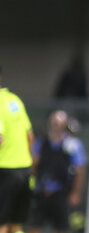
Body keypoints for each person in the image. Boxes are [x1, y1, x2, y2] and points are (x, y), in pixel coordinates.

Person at [28, 110, 86, 233]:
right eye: (53, 123)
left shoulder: (72, 145)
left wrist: (75, 192)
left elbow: (80, 169)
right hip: (42, 189)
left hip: (61, 190)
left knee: (60, 227)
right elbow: (34, 163)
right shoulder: (42, 142)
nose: (56, 127)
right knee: (34, 224)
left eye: (59, 124)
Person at [0, 67, 35, 233]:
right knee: (16, 225)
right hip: (24, 171)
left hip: (4, 170)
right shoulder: (15, 100)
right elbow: (30, 136)